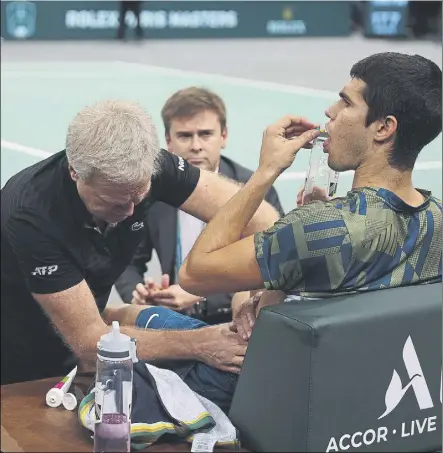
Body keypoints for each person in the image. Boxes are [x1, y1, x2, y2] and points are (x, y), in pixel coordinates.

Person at [133, 52, 442, 411]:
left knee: (123, 325)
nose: (330, 111)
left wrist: (265, 171)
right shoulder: (435, 218)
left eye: (345, 102)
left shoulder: (321, 229)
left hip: (284, 400)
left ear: (384, 128)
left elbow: (195, 273)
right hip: (377, 404)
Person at [0, 99, 280, 386]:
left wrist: (258, 296)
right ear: (75, 172)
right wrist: (201, 343)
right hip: (18, 363)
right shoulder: (31, 214)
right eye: (115, 202)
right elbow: (89, 342)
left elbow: (261, 219)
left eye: (139, 196)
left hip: (89, 336)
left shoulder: (151, 164)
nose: (130, 212)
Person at [114, 87, 284, 324]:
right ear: (168, 141)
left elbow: (273, 269)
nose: (196, 146)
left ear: (223, 136)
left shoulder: (255, 190)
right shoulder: (150, 189)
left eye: (205, 134)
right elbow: (127, 261)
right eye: (185, 136)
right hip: (173, 319)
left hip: (235, 319)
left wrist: (199, 293)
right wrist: (139, 293)